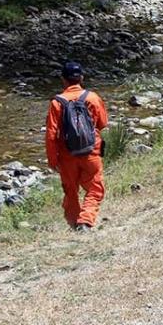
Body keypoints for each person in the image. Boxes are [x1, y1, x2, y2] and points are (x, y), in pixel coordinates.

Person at [45, 61, 108, 231]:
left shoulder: (57, 103)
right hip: (91, 152)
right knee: (95, 188)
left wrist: (52, 159)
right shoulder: (93, 98)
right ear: (81, 78)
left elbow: (51, 134)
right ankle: (85, 221)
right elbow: (102, 124)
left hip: (67, 157)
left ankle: (75, 224)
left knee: (70, 192)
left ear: (63, 80)